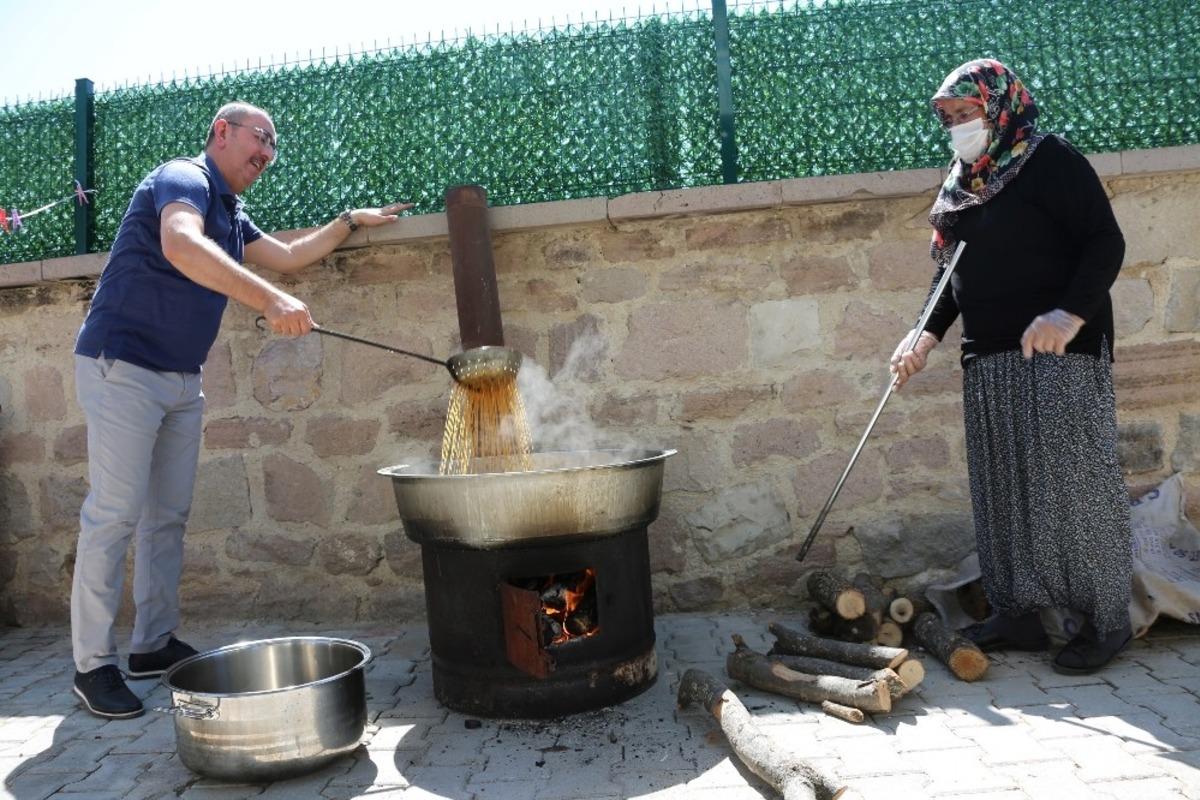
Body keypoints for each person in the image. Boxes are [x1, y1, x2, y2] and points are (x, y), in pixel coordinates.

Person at [70, 101, 411, 719]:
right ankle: (91, 665)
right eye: (261, 138)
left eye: (273, 146)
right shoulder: (184, 180)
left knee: (166, 516)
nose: (267, 154)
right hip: (121, 367)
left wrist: (346, 223)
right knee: (114, 515)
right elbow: (180, 245)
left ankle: (151, 646)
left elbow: (285, 255)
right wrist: (271, 299)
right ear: (221, 133)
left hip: (180, 378)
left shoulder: (229, 211)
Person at [890, 59, 1132, 675]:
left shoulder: (1051, 161)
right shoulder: (963, 183)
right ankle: (1020, 611)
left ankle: (1106, 621)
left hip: (1057, 348)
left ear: (999, 106)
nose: (956, 127)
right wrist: (922, 334)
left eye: (965, 113)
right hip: (988, 357)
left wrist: (1069, 314)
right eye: (946, 118)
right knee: (1002, 491)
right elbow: (949, 277)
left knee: (1073, 489)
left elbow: (1106, 242)